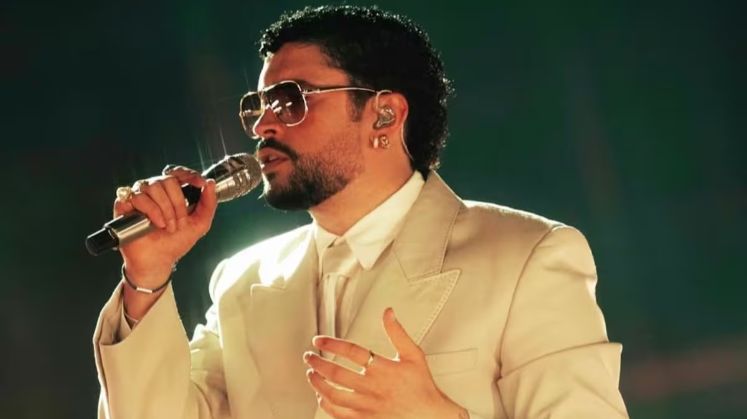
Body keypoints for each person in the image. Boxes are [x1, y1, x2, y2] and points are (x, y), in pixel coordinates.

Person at [93, 5, 628, 419]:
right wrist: (147, 277)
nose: (262, 125)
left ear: (385, 115)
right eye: (256, 106)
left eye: (291, 99)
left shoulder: (525, 257)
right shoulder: (242, 281)